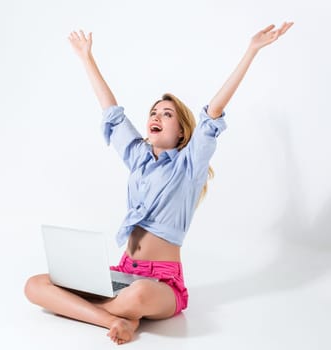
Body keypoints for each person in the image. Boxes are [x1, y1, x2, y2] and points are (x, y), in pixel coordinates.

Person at [24, 22, 293, 345]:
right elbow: (112, 111)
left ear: (181, 131)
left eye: (167, 114)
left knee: (136, 296)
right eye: (154, 111)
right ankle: (113, 320)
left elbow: (214, 112)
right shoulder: (137, 156)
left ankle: (96, 311)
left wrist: (251, 50)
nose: (156, 116)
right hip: (123, 271)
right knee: (35, 285)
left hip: (160, 285)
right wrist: (86, 58)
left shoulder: (189, 165)